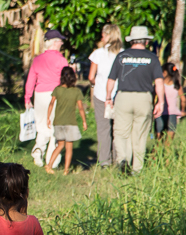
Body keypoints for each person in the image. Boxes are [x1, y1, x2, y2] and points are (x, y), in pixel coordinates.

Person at [105, 26, 165, 174]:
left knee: (120, 132)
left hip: (124, 96)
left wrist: (108, 97)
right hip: (144, 98)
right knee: (140, 135)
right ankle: (137, 169)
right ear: (146, 41)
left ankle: (123, 158)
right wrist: (161, 102)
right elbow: (159, 82)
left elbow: (111, 80)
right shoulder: (152, 58)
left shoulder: (121, 56)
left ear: (131, 40)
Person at [25, 29, 70, 169]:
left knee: (42, 126)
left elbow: (31, 79)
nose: (62, 43)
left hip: (40, 95)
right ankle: (52, 160)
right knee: (55, 128)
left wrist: (27, 98)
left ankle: (38, 152)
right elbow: (67, 79)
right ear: (55, 43)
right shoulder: (61, 60)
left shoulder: (37, 59)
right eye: (60, 41)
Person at [87, 24, 123, 167]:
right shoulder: (123, 53)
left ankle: (104, 161)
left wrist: (95, 84)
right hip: (119, 94)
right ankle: (118, 157)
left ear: (108, 35)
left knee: (103, 129)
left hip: (101, 94)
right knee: (118, 128)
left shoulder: (98, 53)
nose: (101, 37)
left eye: (103, 34)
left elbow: (91, 76)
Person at [44, 67, 88, 175]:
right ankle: (66, 170)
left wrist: (48, 117)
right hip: (71, 122)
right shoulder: (76, 91)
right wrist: (84, 121)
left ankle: (49, 165)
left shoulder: (57, 89)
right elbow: (81, 108)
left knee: (60, 145)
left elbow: (51, 103)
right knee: (69, 147)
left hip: (58, 121)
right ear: (73, 77)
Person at [156, 62, 186, 144]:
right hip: (172, 115)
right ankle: (168, 157)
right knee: (168, 143)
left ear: (165, 72)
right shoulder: (177, 85)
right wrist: (183, 110)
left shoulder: (159, 85)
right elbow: (183, 99)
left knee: (158, 142)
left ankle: (155, 156)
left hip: (160, 114)